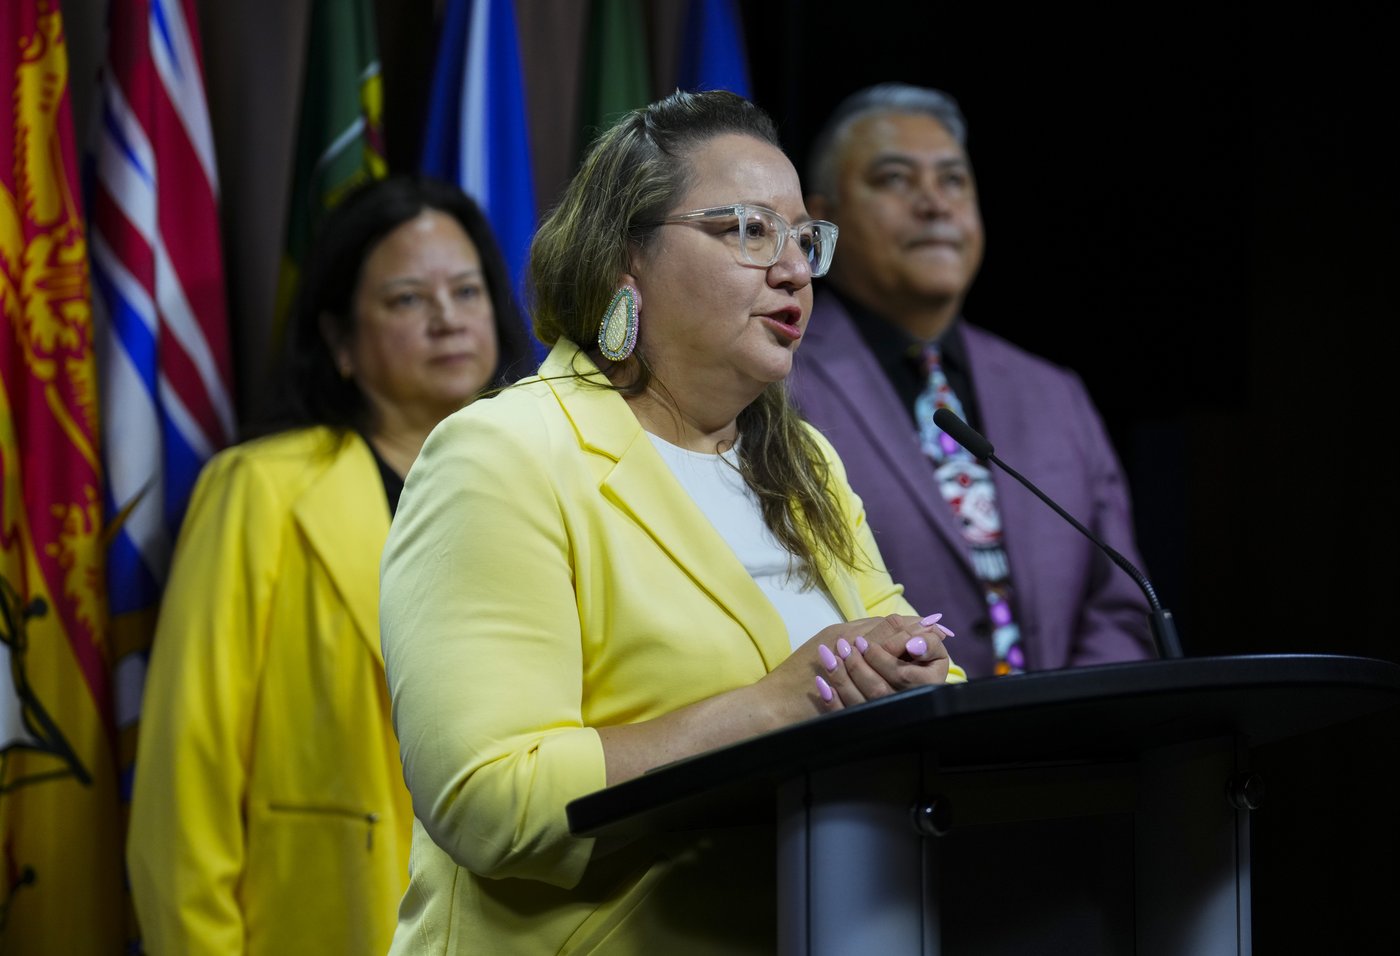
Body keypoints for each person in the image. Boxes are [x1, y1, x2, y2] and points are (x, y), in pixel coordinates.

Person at [379, 90, 966, 955]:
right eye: (749, 231)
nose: (795, 269)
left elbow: (894, 674)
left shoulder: (805, 463)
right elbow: (490, 801)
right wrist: (768, 709)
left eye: (805, 238)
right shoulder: (504, 454)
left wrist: (920, 676)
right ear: (628, 259)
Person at [126, 174, 534, 956]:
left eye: (467, 290)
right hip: (333, 921)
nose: (448, 318)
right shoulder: (259, 490)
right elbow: (191, 772)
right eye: (408, 299)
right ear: (341, 343)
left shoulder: (547, 489)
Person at [789, 83, 1157, 678]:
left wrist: (1068, 725)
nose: (935, 204)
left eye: (953, 180)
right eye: (894, 179)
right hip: (882, 748)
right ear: (821, 218)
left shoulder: (1053, 392)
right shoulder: (777, 380)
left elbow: (1118, 604)